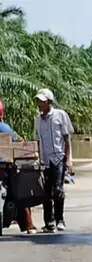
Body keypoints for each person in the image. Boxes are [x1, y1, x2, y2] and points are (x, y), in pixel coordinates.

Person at [34, 88, 73, 233]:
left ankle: (60, 219)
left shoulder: (60, 115)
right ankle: (48, 222)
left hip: (58, 158)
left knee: (58, 190)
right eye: (38, 101)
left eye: (42, 101)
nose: (39, 104)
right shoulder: (37, 120)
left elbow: (67, 139)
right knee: (45, 192)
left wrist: (69, 159)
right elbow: (37, 141)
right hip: (45, 160)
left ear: (49, 102)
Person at [0, 98, 36, 234]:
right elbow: (21, 142)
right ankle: (28, 225)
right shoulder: (5, 128)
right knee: (20, 192)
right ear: (2, 114)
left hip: (4, 170)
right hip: (6, 170)